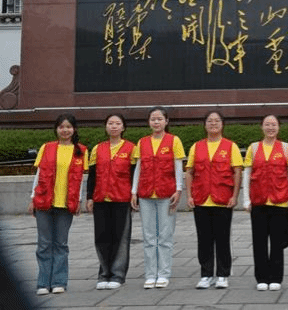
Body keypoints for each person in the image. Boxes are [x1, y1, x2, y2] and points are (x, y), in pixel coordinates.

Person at [28, 114, 88, 296]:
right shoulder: (46, 148)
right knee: (44, 244)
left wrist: (78, 201)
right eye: (61, 127)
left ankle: (59, 282)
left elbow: (80, 180)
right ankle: (43, 283)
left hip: (66, 204)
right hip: (44, 201)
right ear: (56, 129)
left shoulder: (81, 150)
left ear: (74, 129)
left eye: (68, 127)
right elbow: (39, 175)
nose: (65, 130)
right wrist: (32, 198)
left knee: (61, 244)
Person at [185, 111, 242, 289]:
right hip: (201, 199)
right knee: (204, 239)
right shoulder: (196, 147)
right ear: (205, 125)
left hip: (222, 199)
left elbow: (237, 172)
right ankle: (206, 274)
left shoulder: (230, 146)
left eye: (217, 121)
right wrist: (189, 195)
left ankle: (223, 274)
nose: (213, 124)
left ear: (222, 124)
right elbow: (190, 171)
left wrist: (234, 196)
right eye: (210, 121)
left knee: (222, 239)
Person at [130, 106, 185, 289]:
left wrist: (178, 189)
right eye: (153, 119)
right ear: (149, 122)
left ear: (166, 121)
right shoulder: (142, 142)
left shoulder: (173, 140)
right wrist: (134, 191)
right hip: (146, 194)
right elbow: (138, 168)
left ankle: (163, 273)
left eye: (160, 119)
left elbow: (178, 166)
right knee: (148, 236)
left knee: (165, 235)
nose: (156, 122)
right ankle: (150, 274)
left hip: (167, 193)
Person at [243, 114, 288, 291]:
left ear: (279, 127)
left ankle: (276, 277)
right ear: (262, 127)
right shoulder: (254, 148)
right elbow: (247, 174)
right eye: (267, 124)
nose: (270, 128)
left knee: (277, 241)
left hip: (279, 201)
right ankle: (261, 277)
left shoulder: (285, 148)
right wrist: (246, 199)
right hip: (258, 201)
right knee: (259, 241)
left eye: (273, 124)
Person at [86, 113, 135, 290]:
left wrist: (134, 194)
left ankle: (117, 274)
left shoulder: (131, 148)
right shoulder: (97, 149)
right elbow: (92, 175)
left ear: (123, 127)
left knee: (120, 237)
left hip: (122, 198)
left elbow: (134, 174)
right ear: (106, 127)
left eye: (117, 123)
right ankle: (104, 273)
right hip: (101, 198)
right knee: (101, 237)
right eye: (110, 123)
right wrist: (89, 197)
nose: (114, 126)